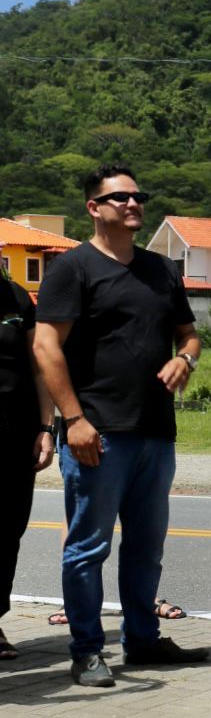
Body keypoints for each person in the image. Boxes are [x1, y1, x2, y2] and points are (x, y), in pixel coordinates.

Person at [33, 165, 207, 688]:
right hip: (98, 433)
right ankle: (87, 650)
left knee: (146, 547)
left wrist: (187, 360)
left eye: (138, 196)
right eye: (120, 198)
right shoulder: (74, 269)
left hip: (156, 431)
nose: (133, 205)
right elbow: (46, 346)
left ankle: (143, 640)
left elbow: (191, 334)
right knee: (88, 546)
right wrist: (74, 420)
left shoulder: (160, 270)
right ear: (94, 207)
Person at [0, 269, 56, 659]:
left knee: (8, 531)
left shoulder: (17, 299)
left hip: (15, 435)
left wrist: (45, 427)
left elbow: (39, 366)